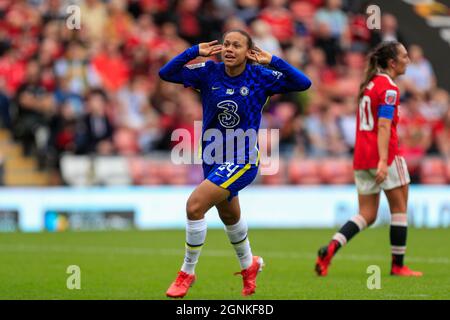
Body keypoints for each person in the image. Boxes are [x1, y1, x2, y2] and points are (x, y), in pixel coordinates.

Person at [159, 29, 311, 298]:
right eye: (226, 44)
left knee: (195, 206)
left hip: (242, 159)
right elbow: (166, 74)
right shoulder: (208, 71)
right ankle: (249, 264)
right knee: (229, 216)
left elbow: (303, 83)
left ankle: (187, 273)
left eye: (237, 45)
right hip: (212, 156)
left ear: (248, 52)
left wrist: (273, 60)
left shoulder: (260, 77)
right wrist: (193, 52)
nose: (229, 49)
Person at [315, 41, 423, 277]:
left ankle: (331, 247)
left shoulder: (370, 84)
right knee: (399, 209)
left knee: (367, 214)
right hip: (385, 156)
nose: (408, 60)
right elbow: (383, 126)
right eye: (404, 56)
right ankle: (398, 266)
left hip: (362, 157)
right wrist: (384, 161)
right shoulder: (390, 89)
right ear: (392, 63)